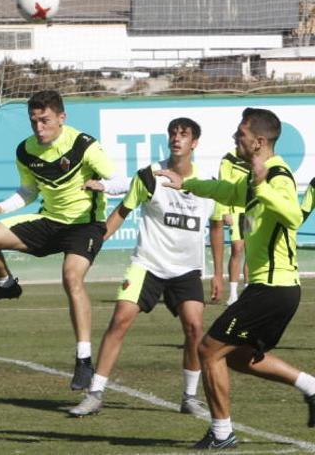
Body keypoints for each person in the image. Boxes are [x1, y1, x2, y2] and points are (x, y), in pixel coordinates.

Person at [157, 108, 315, 449]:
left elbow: (291, 216)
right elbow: (227, 193)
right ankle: (310, 386)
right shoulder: (255, 176)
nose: (234, 138)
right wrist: (187, 183)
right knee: (238, 356)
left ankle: (221, 433)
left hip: (274, 288)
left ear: (258, 142)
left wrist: (263, 186)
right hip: (270, 288)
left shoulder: (277, 175)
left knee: (208, 350)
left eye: (240, 134)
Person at [0, 89, 117, 390]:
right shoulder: (26, 150)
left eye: (45, 120)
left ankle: (84, 361)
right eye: (34, 121)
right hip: (49, 221)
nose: (39, 127)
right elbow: (29, 191)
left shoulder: (83, 144)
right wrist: (1, 207)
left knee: (71, 279)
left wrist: (101, 185)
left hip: (84, 225)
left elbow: (116, 179)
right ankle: (6, 285)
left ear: (62, 118)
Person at [69, 118, 217, 417]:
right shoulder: (149, 176)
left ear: (195, 143)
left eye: (184, 134)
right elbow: (121, 212)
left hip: (187, 270)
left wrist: (220, 275)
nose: (177, 138)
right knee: (120, 320)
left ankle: (189, 397)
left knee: (195, 328)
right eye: (173, 133)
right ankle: (95, 393)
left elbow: (216, 226)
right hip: (147, 265)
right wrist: (91, 247)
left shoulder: (209, 184)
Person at [211, 148, 250, 306]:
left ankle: (248, 290)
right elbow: (224, 184)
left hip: (251, 210)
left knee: (250, 249)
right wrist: (225, 211)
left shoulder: (255, 157)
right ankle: (233, 293)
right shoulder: (229, 158)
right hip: (235, 210)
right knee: (237, 248)